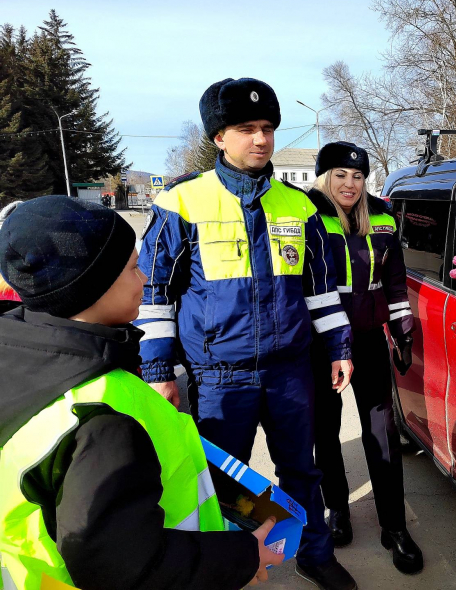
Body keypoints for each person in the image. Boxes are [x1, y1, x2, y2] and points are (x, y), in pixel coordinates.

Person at [134, 78, 357, 590]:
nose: (260, 139)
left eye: (267, 129)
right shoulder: (181, 203)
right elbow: (155, 294)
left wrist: (339, 347)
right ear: (219, 137)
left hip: (289, 372)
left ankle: (313, 554)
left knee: (302, 470)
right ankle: (230, 564)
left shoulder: (300, 207)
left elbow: (320, 289)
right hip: (218, 377)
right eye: (245, 129)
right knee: (224, 483)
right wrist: (158, 370)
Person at [0, 196, 283, 590]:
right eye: (134, 268)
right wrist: (241, 557)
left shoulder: (20, 355)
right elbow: (122, 565)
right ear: (92, 286)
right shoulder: (100, 416)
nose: (145, 280)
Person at [307, 142, 423, 575]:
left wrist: (402, 330)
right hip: (321, 343)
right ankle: (338, 509)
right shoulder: (307, 215)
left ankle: (394, 526)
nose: (350, 184)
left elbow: (394, 282)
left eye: (357, 176)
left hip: (369, 339)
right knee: (325, 430)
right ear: (324, 177)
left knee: (382, 432)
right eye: (340, 175)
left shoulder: (383, 214)